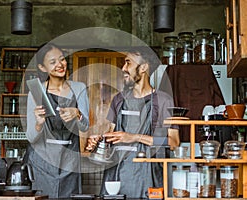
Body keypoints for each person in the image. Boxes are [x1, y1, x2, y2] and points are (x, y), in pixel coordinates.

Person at [86, 47, 179, 198]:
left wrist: (134, 137)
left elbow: (173, 142)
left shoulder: (163, 100)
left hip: (148, 176)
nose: (123, 68)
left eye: (128, 63)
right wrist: (98, 140)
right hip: (116, 176)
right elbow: (111, 134)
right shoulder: (118, 99)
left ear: (143, 68)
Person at [24, 43, 89, 198]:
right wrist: (39, 123)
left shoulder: (79, 88)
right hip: (41, 162)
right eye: (53, 62)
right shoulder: (36, 93)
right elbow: (31, 137)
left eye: (62, 59)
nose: (60, 65)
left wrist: (78, 113)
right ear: (42, 67)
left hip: (69, 161)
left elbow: (85, 127)